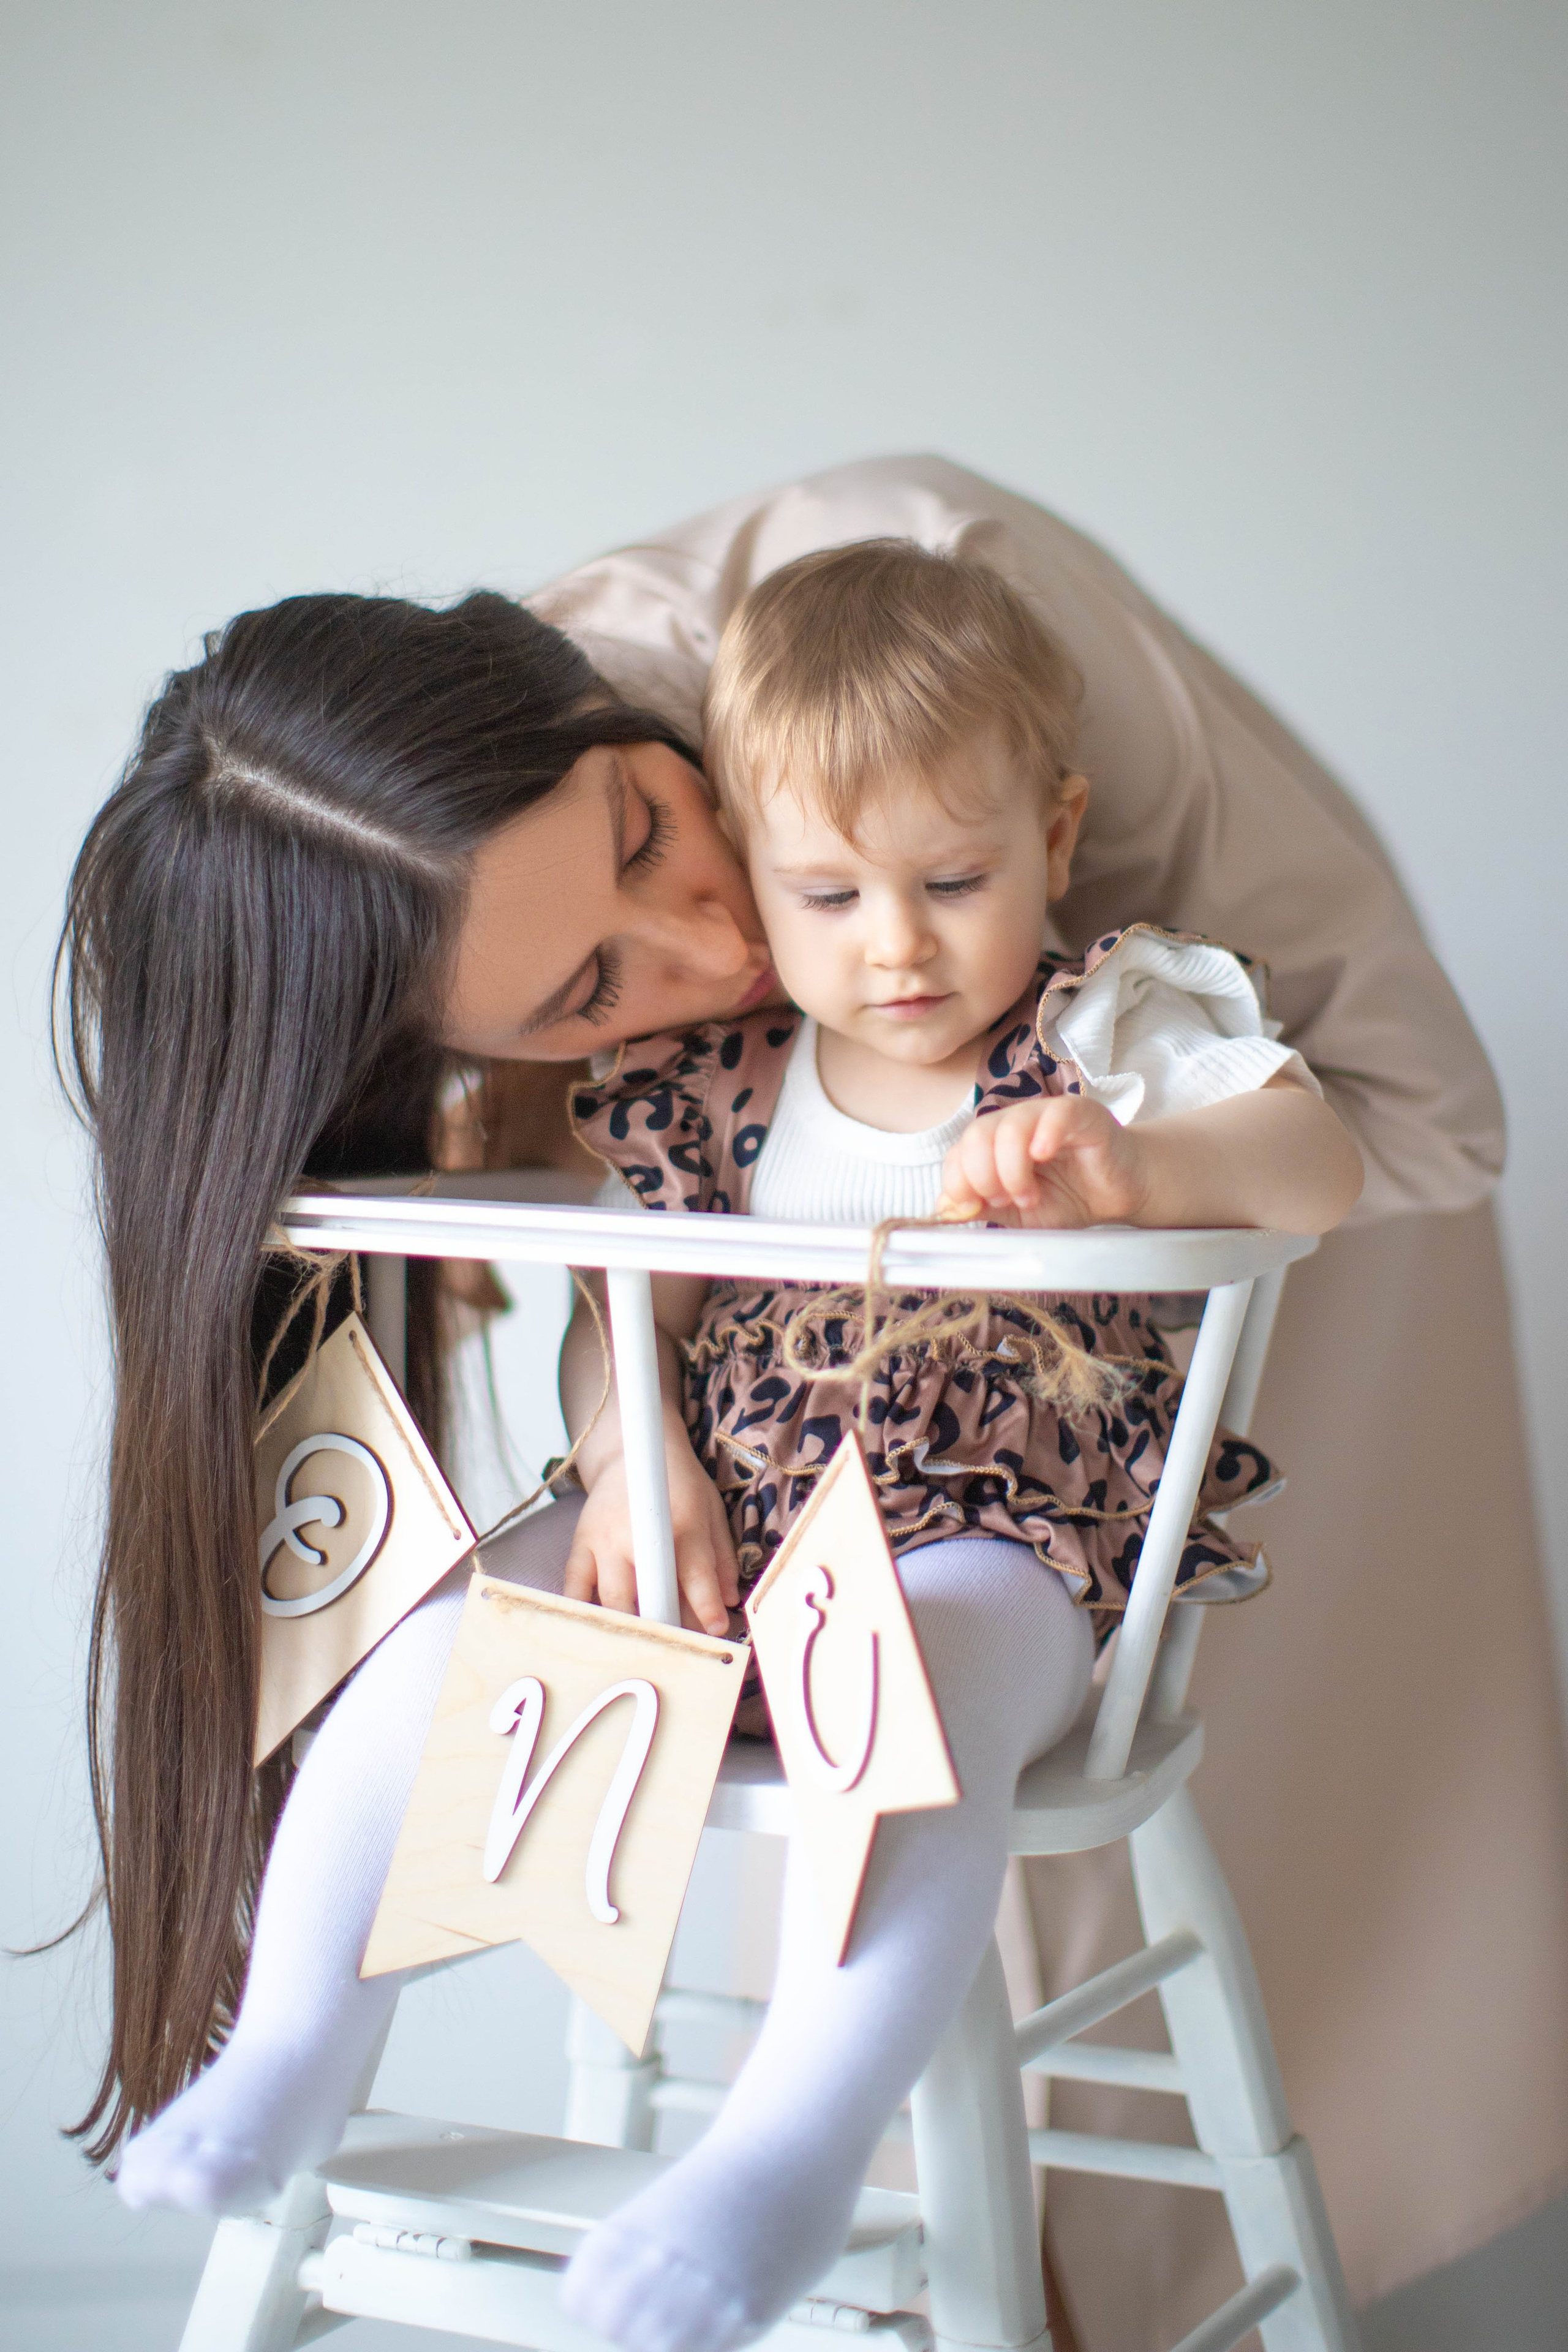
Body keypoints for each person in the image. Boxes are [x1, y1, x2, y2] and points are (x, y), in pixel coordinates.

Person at [58, 459, 1564, 2341]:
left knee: (910, 1716)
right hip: (753, 1500)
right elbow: (639, 1290)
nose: (732, 954)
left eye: (640, 832)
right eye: (592, 989)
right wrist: (633, 1444)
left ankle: (790, 2142)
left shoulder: (1083, 985)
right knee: (440, 1648)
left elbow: (1342, 1134)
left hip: (997, 1509)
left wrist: (1130, 1170)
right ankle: (288, 2042)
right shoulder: (720, 1078)